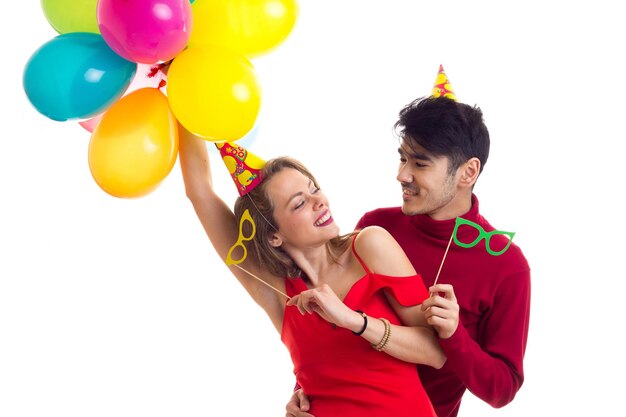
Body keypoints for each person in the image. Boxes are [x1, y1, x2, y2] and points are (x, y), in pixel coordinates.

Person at [178, 124, 447, 417]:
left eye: (314, 188)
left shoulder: (371, 246)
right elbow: (199, 193)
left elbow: (435, 352)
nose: (320, 201)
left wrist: (353, 321)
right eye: (300, 204)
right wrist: (179, 94)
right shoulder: (277, 292)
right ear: (273, 236)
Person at [286, 96, 531, 417]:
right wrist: (303, 389)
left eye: (420, 163)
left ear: (467, 172)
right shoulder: (375, 228)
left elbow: (503, 390)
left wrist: (454, 335)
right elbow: (329, 325)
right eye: (402, 158)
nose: (402, 174)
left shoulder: (506, 266)